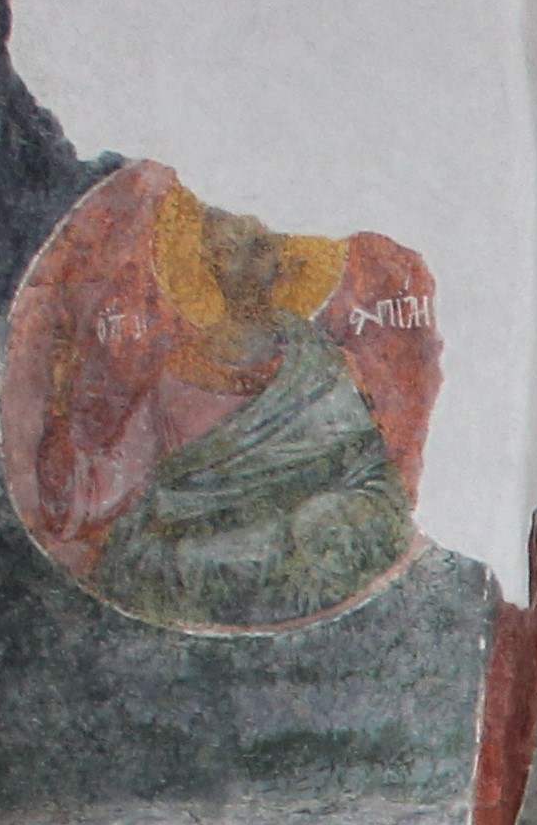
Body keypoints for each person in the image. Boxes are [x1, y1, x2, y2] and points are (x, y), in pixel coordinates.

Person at [31, 185, 420, 629]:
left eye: (260, 247)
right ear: (209, 261)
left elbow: (371, 478)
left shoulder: (318, 367)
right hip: (192, 559)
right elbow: (109, 483)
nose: (247, 267)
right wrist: (58, 406)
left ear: (284, 258)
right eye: (230, 250)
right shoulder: (178, 373)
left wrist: (327, 518)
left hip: (292, 553)